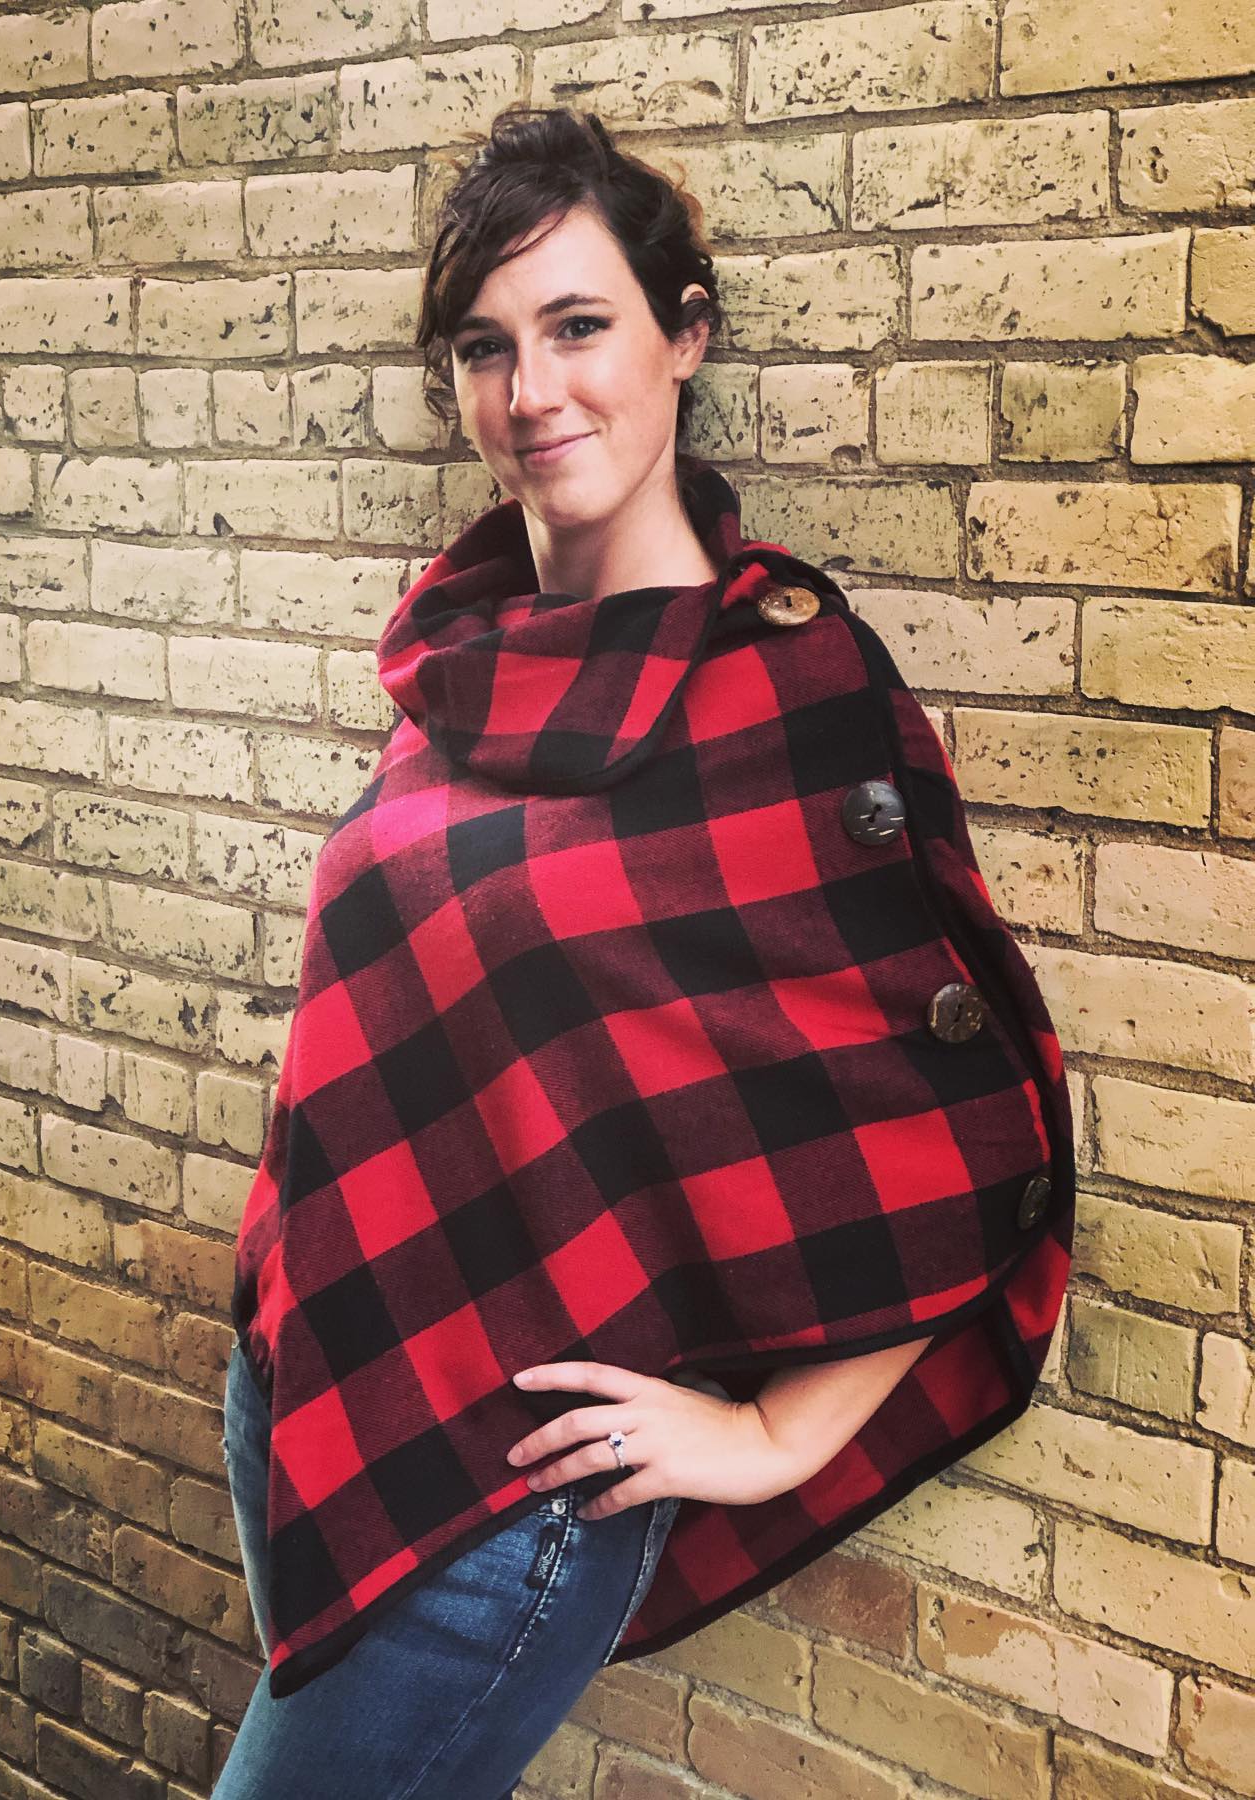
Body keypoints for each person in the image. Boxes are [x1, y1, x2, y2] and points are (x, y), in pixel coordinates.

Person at [214, 106, 1074, 1797]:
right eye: (485, 346)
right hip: (308, 1381)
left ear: (685, 337)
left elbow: (977, 1131)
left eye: (579, 326)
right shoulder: (466, 650)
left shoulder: (791, 699)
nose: (531, 393)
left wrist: (767, 1435)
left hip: (504, 1498)